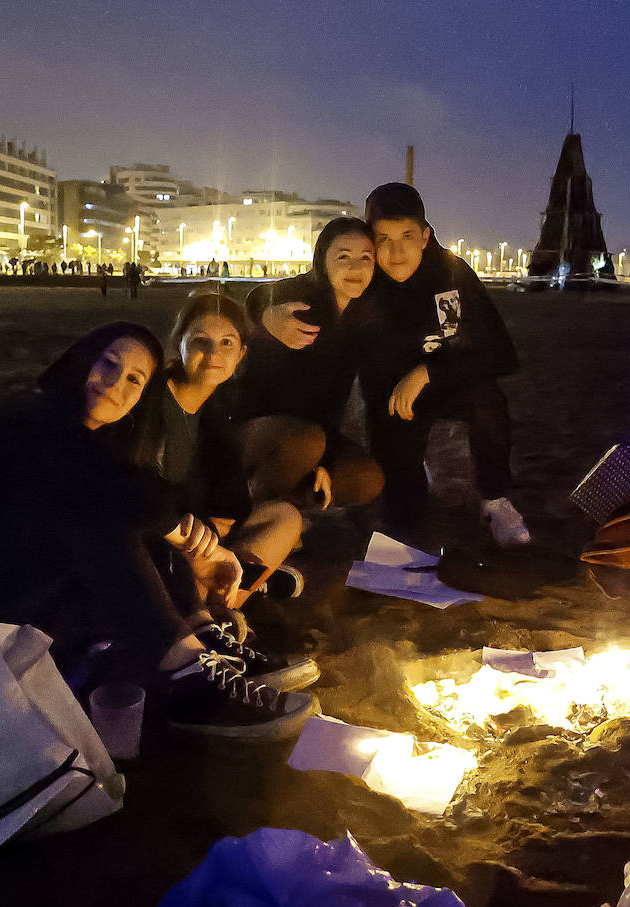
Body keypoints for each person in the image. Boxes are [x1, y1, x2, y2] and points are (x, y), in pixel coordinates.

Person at [0, 322, 315, 735]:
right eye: (108, 362)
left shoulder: (100, 444)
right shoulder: (30, 419)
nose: (114, 383)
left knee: (129, 516)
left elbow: (151, 496)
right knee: (103, 516)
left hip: (19, 595)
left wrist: (192, 547)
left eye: (134, 380)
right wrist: (203, 547)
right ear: (82, 358)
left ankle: (199, 639)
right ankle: (186, 679)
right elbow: (110, 492)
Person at [151, 294, 316, 689]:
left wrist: (219, 529)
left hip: (204, 534)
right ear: (180, 345)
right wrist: (204, 533)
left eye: (227, 342)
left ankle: (225, 610)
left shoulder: (218, 405)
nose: (214, 353)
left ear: (241, 352)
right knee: (194, 556)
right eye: (201, 341)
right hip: (165, 536)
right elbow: (148, 498)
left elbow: (231, 497)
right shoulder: (156, 402)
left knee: (285, 517)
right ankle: (218, 625)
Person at [355, 182, 530, 547]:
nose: (396, 250)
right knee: (405, 516)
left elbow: (496, 350)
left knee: (488, 402)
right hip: (392, 396)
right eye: (383, 239)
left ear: (424, 235)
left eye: (406, 235)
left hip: (451, 382)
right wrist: (267, 307)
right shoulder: (362, 277)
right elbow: (310, 289)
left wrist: (427, 372)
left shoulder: (450, 274)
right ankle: (413, 478)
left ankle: (495, 500)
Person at [240, 217, 385, 513]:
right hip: (257, 429)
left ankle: (291, 510)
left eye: (365, 257)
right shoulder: (300, 301)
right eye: (343, 257)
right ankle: (245, 511)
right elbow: (257, 297)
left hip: (316, 436)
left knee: (368, 478)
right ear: (322, 260)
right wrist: (265, 314)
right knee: (305, 442)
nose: (356, 267)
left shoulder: (363, 316)